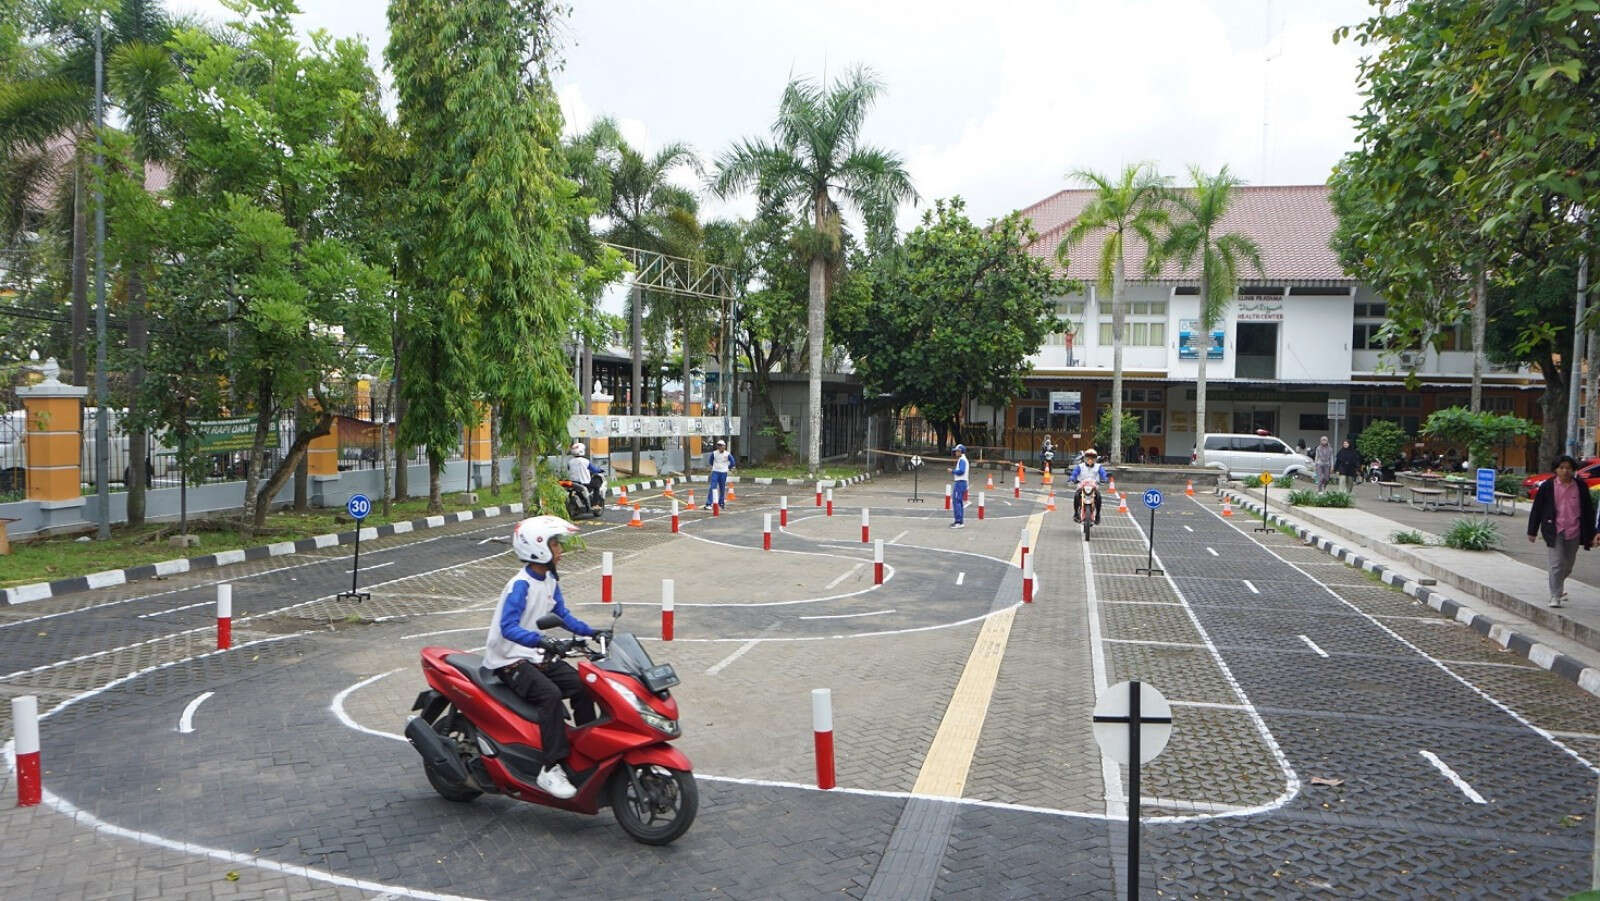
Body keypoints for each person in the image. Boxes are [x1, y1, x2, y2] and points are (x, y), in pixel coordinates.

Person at [483, 515, 605, 799]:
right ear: (538, 548)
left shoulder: (549, 579)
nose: (560, 551)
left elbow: (561, 614)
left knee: (583, 685)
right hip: (509, 660)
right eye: (555, 545)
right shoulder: (520, 585)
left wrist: (591, 632)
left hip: (536, 655)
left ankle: (586, 747)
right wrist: (541, 640)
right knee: (549, 695)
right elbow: (508, 627)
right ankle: (550, 768)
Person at [1527, 455, 1595, 608]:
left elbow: (1589, 511)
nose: (1565, 471)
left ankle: (1557, 583)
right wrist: (1532, 530)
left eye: (1568, 468)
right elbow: (1537, 509)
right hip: (1554, 529)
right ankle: (1555, 596)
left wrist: (1592, 533)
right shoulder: (1547, 487)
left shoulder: (1580, 487)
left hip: (1574, 530)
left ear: (1573, 470)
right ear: (1556, 470)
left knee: (1567, 565)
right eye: (1561, 468)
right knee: (1556, 563)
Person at [1070, 448, 1108, 524]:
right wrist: (1072, 478)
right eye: (1088, 457)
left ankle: (1097, 514)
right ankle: (1076, 513)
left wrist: (1104, 479)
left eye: (1093, 457)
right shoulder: (1080, 466)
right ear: (1084, 458)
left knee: (1099, 497)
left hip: (1094, 486)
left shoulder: (1098, 466)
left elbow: (1103, 474)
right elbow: (1074, 473)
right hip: (1082, 486)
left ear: (1095, 459)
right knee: (1076, 495)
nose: (1090, 459)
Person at [566, 443, 603, 509]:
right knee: (596, 486)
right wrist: (600, 470)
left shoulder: (570, 462)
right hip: (585, 484)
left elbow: (569, 469)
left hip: (573, 483)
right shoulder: (586, 461)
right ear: (582, 450)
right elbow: (594, 470)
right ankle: (595, 504)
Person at [706, 438, 735, 507]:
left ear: (724, 446)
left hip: (723, 472)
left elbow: (733, 462)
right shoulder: (714, 453)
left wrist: (729, 467)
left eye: (721, 445)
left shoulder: (727, 454)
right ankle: (709, 503)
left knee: (722, 487)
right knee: (713, 487)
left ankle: (721, 502)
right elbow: (710, 461)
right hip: (715, 472)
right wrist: (714, 467)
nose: (720, 447)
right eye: (719, 445)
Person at [949, 444, 969, 529]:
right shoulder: (962, 459)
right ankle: (959, 520)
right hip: (962, 482)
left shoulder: (962, 460)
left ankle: (958, 521)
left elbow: (961, 471)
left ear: (960, 451)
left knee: (956, 501)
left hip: (960, 482)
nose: (955, 452)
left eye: (957, 451)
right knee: (959, 502)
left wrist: (952, 471)